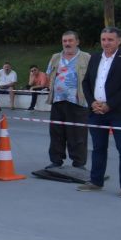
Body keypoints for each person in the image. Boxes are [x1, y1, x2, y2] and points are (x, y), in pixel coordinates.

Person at [77, 27, 121, 198]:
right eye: (103, 39)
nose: (106, 43)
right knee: (98, 148)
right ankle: (96, 181)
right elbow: (86, 83)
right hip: (96, 112)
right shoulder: (94, 58)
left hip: (120, 113)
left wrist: (109, 105)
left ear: (119, 41)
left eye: (110, 40)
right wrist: (92, 102)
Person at [45, 31, 91, 169]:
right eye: (64, 41)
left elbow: (93, 78)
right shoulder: (55, 57)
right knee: (56, 132)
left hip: (78, 102)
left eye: (70, 40)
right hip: (58, 101)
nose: (67, 43)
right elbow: (49, 75)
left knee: (78, 134)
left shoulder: (86, 58)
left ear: (77, 42)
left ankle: (79, 163)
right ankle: (56, 161)